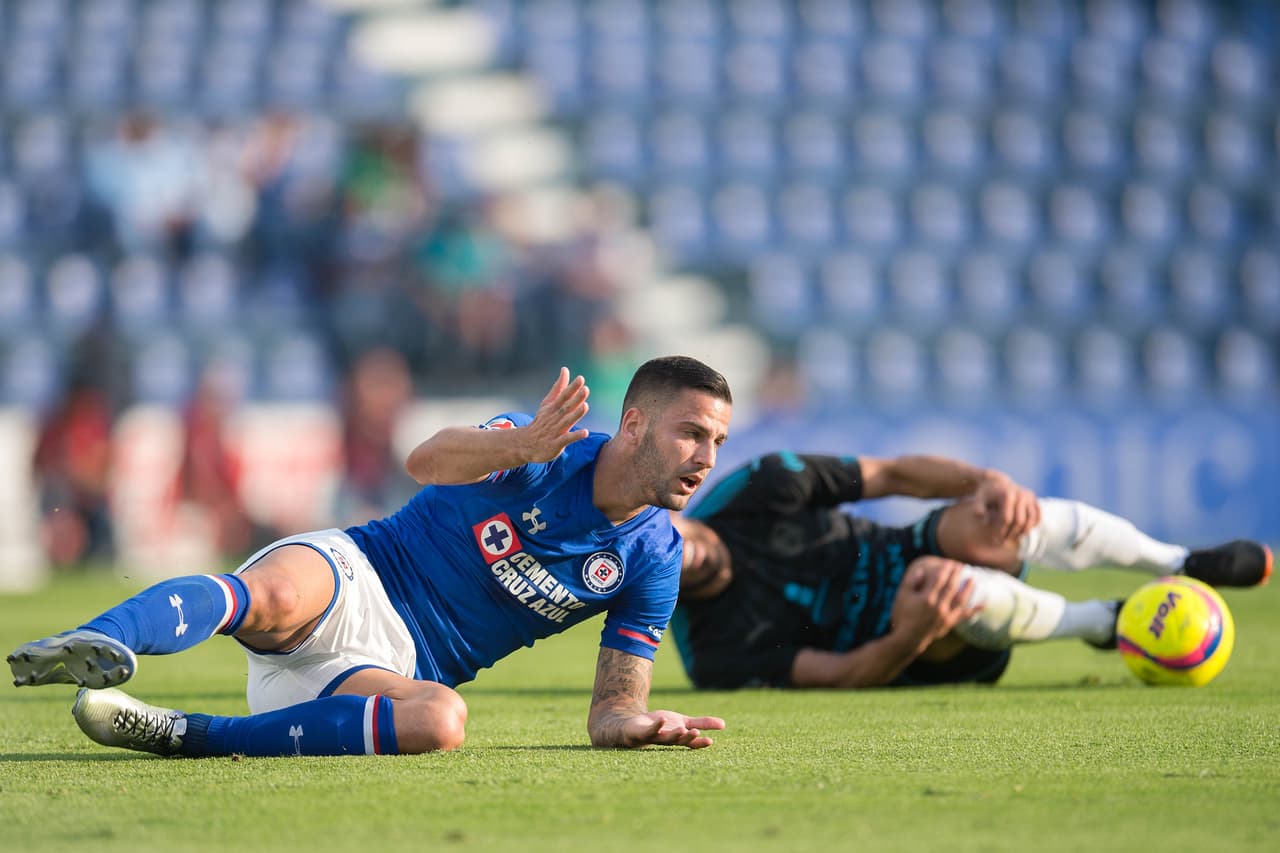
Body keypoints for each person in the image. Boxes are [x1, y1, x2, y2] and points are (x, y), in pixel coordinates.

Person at [9, 356, 734, 757]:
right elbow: (425, 460)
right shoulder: (541, 445)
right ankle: (103, 637)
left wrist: (633, 725)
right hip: (357, 570)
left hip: (374, 677)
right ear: (634, 422)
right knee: (272, 597)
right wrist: (520, 445)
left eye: (718, 443)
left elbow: (612, 708)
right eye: (691, 433)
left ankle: (183, 733)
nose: (705, 457)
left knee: (443, 721)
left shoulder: (655, 556)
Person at [671, 451, 1272, 689]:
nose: (672, 551)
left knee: (987, 516)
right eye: (655, 561)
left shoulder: (756, 488)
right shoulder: (710, 651)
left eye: (658, 535)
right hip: (915, 643)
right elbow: (840, 673)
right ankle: (1105, 622)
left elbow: (895, 475)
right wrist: (910, 635)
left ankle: (1182, 561)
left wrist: (990, 482)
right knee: (931, 581)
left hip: (914, 546)